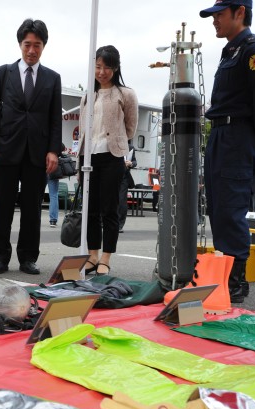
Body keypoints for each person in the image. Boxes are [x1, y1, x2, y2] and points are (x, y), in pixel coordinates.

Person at [200, 0, 255, 302]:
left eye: (219, 14)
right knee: (218, 207)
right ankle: (222, 274)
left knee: (231, 206)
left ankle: (236, 282)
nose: (214, 20)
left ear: (240, 12)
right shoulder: (230, 50)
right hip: (219, 133)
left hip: (238, 136)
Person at [0, 19, 62, 275]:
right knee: (3, 206)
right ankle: (0, 256)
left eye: (37, 45)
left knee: (32, 208)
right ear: (20, 44)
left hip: (37, 153)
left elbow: (54, 118)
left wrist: (53, 150)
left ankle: (28, 257)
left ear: (44, 46)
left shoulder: (52, 78)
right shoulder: (1, 73)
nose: (31, 50)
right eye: (27, 44)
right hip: (6, 150)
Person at [79, 45, 138, 277]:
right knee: (90, 209)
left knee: (109, 209)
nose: (101, 72)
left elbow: (131, 128)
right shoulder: (88, 94)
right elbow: (84, 128)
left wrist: (118, 141)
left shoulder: (126, 94)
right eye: (98, 66)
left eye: (107, 67)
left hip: (112, 157)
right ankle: (92, 255)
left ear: (115, 68)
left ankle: (106, 257)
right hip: (88, 156)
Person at [118, 140, 137, 232]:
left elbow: (135, 162)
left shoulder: (131, 148)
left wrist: (131, 163)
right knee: (109, 199)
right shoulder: (113, 145)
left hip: (124, 177)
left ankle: (120, 224)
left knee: (122, 200)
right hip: (111, 175)